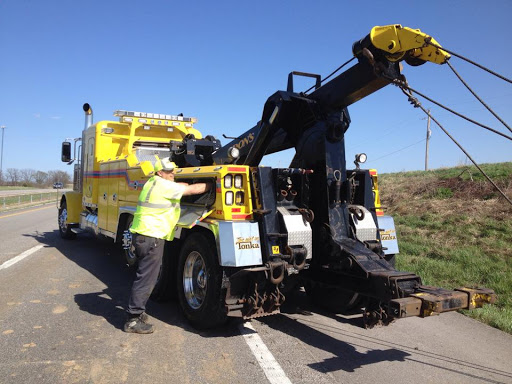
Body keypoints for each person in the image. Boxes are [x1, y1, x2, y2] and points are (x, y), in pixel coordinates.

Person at [124, 157, 211, 334]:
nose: (172, 174)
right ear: (159, 173)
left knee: (144, 275)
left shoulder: (152, 183)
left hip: (143, 236)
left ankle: (137, 313)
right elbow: (191, 189)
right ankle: (133, 319)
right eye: (168, 171)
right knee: (146, 279)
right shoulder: (163, 185)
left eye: (173, 170)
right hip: (150, 237)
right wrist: (213, 183)